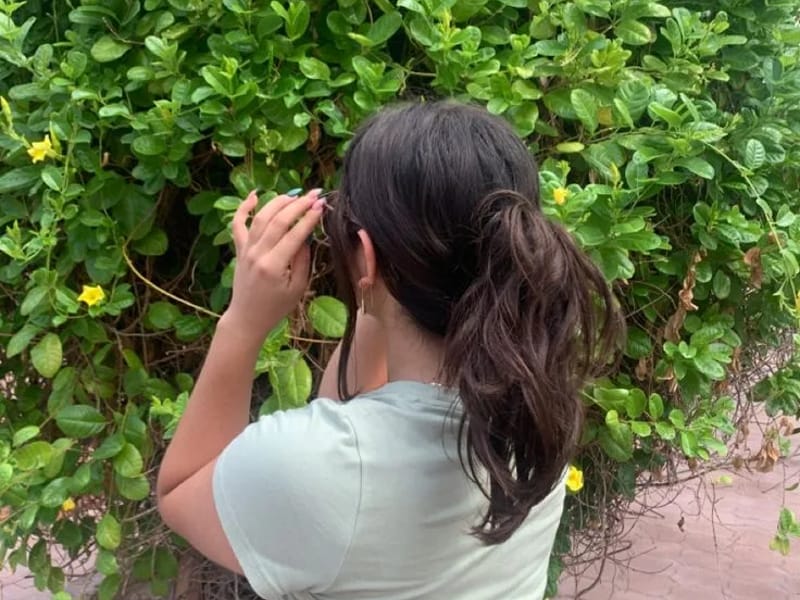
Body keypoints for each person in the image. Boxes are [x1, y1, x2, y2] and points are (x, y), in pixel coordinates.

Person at [156, 101, 624, 599]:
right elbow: (350, 414)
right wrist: (371, 278)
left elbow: (180, 492)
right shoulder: (535, 412)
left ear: (366, 251)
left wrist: (243, 323)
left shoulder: (317, 469)